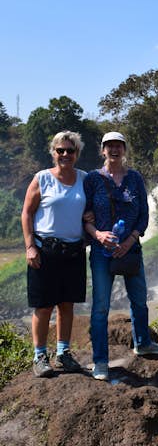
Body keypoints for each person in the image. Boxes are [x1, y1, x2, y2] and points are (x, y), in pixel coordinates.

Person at [84, 131, 158, 381]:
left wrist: (130, 240)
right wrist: (98, 235)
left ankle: (142, 343)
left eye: (118, 145)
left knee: (139, 300)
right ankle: (100, 361)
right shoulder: (92, 180)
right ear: (102, 150)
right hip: (101, 252)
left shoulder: (135, 178)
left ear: (124, 149)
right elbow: (84, 217)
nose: (114, 149)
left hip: (131, 250)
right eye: (109, 146)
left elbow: (143, 215)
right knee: (100, 308)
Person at [21, 131, 87, 378]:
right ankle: (39, 355)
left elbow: (89, 208)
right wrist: (30, 246)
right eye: (60, 150)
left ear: (77, 154)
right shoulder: (42, 179)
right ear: (53, 153)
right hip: (45, 251)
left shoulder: (84, 179)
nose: (65, 155)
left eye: (70, 150)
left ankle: (63, 353)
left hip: (74, 251)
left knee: (67, 305)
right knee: (43, 306)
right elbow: (26, 213)